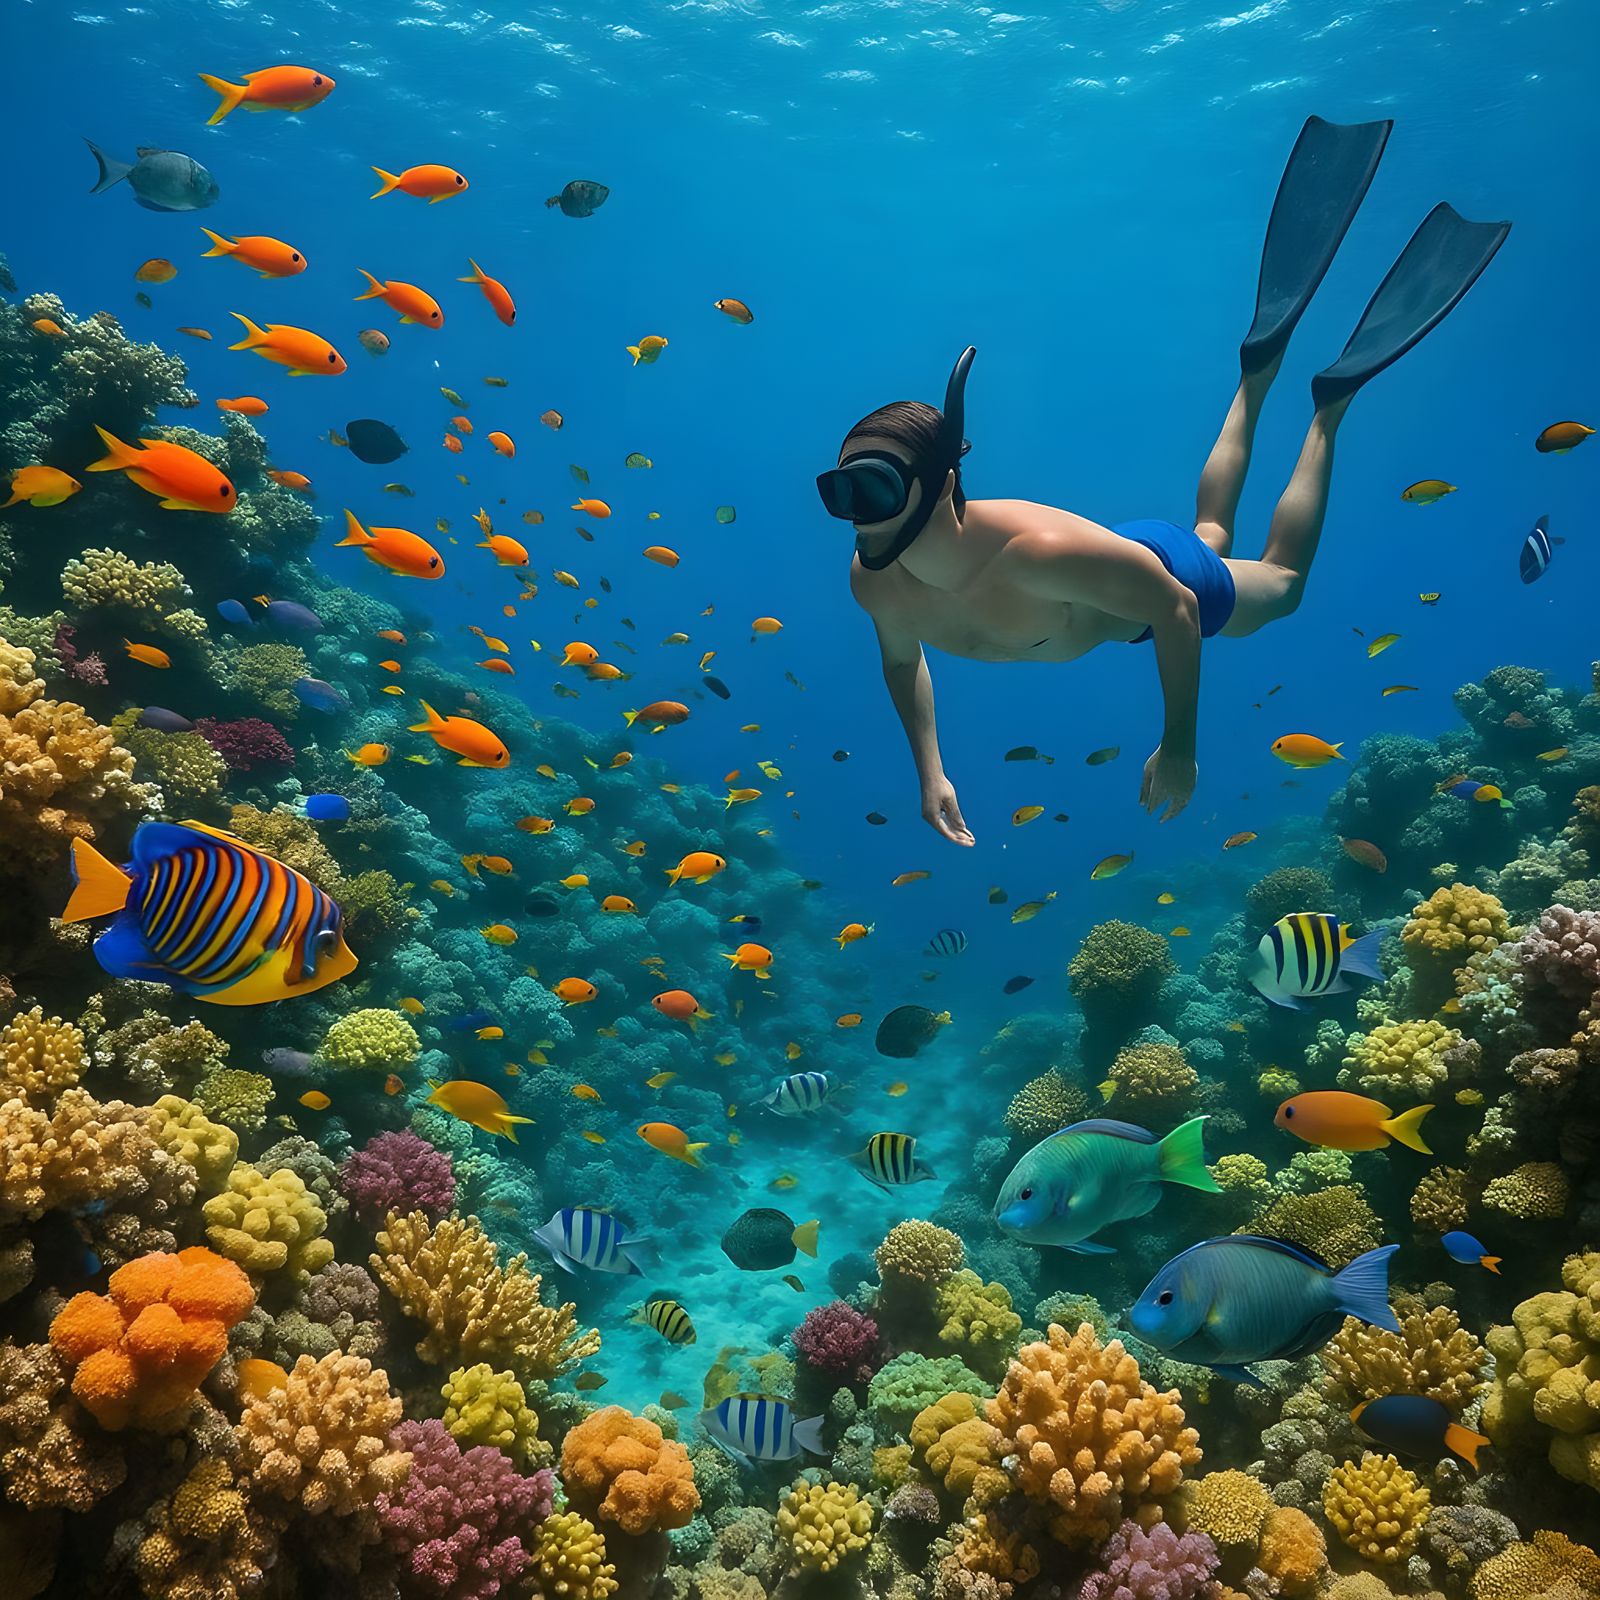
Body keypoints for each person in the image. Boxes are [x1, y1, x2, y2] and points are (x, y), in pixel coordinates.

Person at [820, 117, 1508, 844]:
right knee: (1209, 532)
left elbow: (1177, 608)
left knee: (1280, 583)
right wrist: (932, 772)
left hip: (1147, 581)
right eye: (840, 493)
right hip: (1112, 569)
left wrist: (1179, 744)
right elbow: (903, 661)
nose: (858, 518)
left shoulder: (1034, 553)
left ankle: (1328, 407)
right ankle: (1257, 373)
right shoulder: (876, 582)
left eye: (875, 490)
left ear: (940, 483)